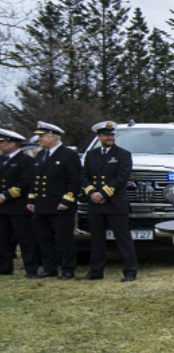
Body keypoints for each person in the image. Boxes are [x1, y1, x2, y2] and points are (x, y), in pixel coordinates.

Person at [79, 121, 137, 282]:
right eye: (106, 135)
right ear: (99, 137)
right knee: (97, 240)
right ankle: (96, 271)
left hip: (115, 203)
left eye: (112, 135)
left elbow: (122, 178)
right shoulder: (91, 155)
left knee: (123, 239)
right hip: (95, 203)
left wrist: (103, 193)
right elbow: (84, 176)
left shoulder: (123, 154)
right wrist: (91, 192)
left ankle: (130, 271)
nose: (110, 138)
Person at [27, 122, 80, 279]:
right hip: (42, 205)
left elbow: (74, 181)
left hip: (60, 206)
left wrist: (67, 200)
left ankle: (68, 269)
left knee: (64, 240)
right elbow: (35, 179)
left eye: (42, 136)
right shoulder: (41, 154)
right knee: (44, 239)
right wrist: (31, 199)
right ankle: (49, 268)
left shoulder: (68, 154)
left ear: (54, 136)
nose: (38, 139)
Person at [0, 127, 40, 278]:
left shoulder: (25, 160)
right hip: (2, 208)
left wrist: (5, 196)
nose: (0, 145)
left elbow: (26, 183)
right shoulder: (2, 160)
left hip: (18, 206)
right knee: (3, 239)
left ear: (13, 144)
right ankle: (5, 267)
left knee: (25, 239)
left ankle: (31, 269)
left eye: (3, 142)